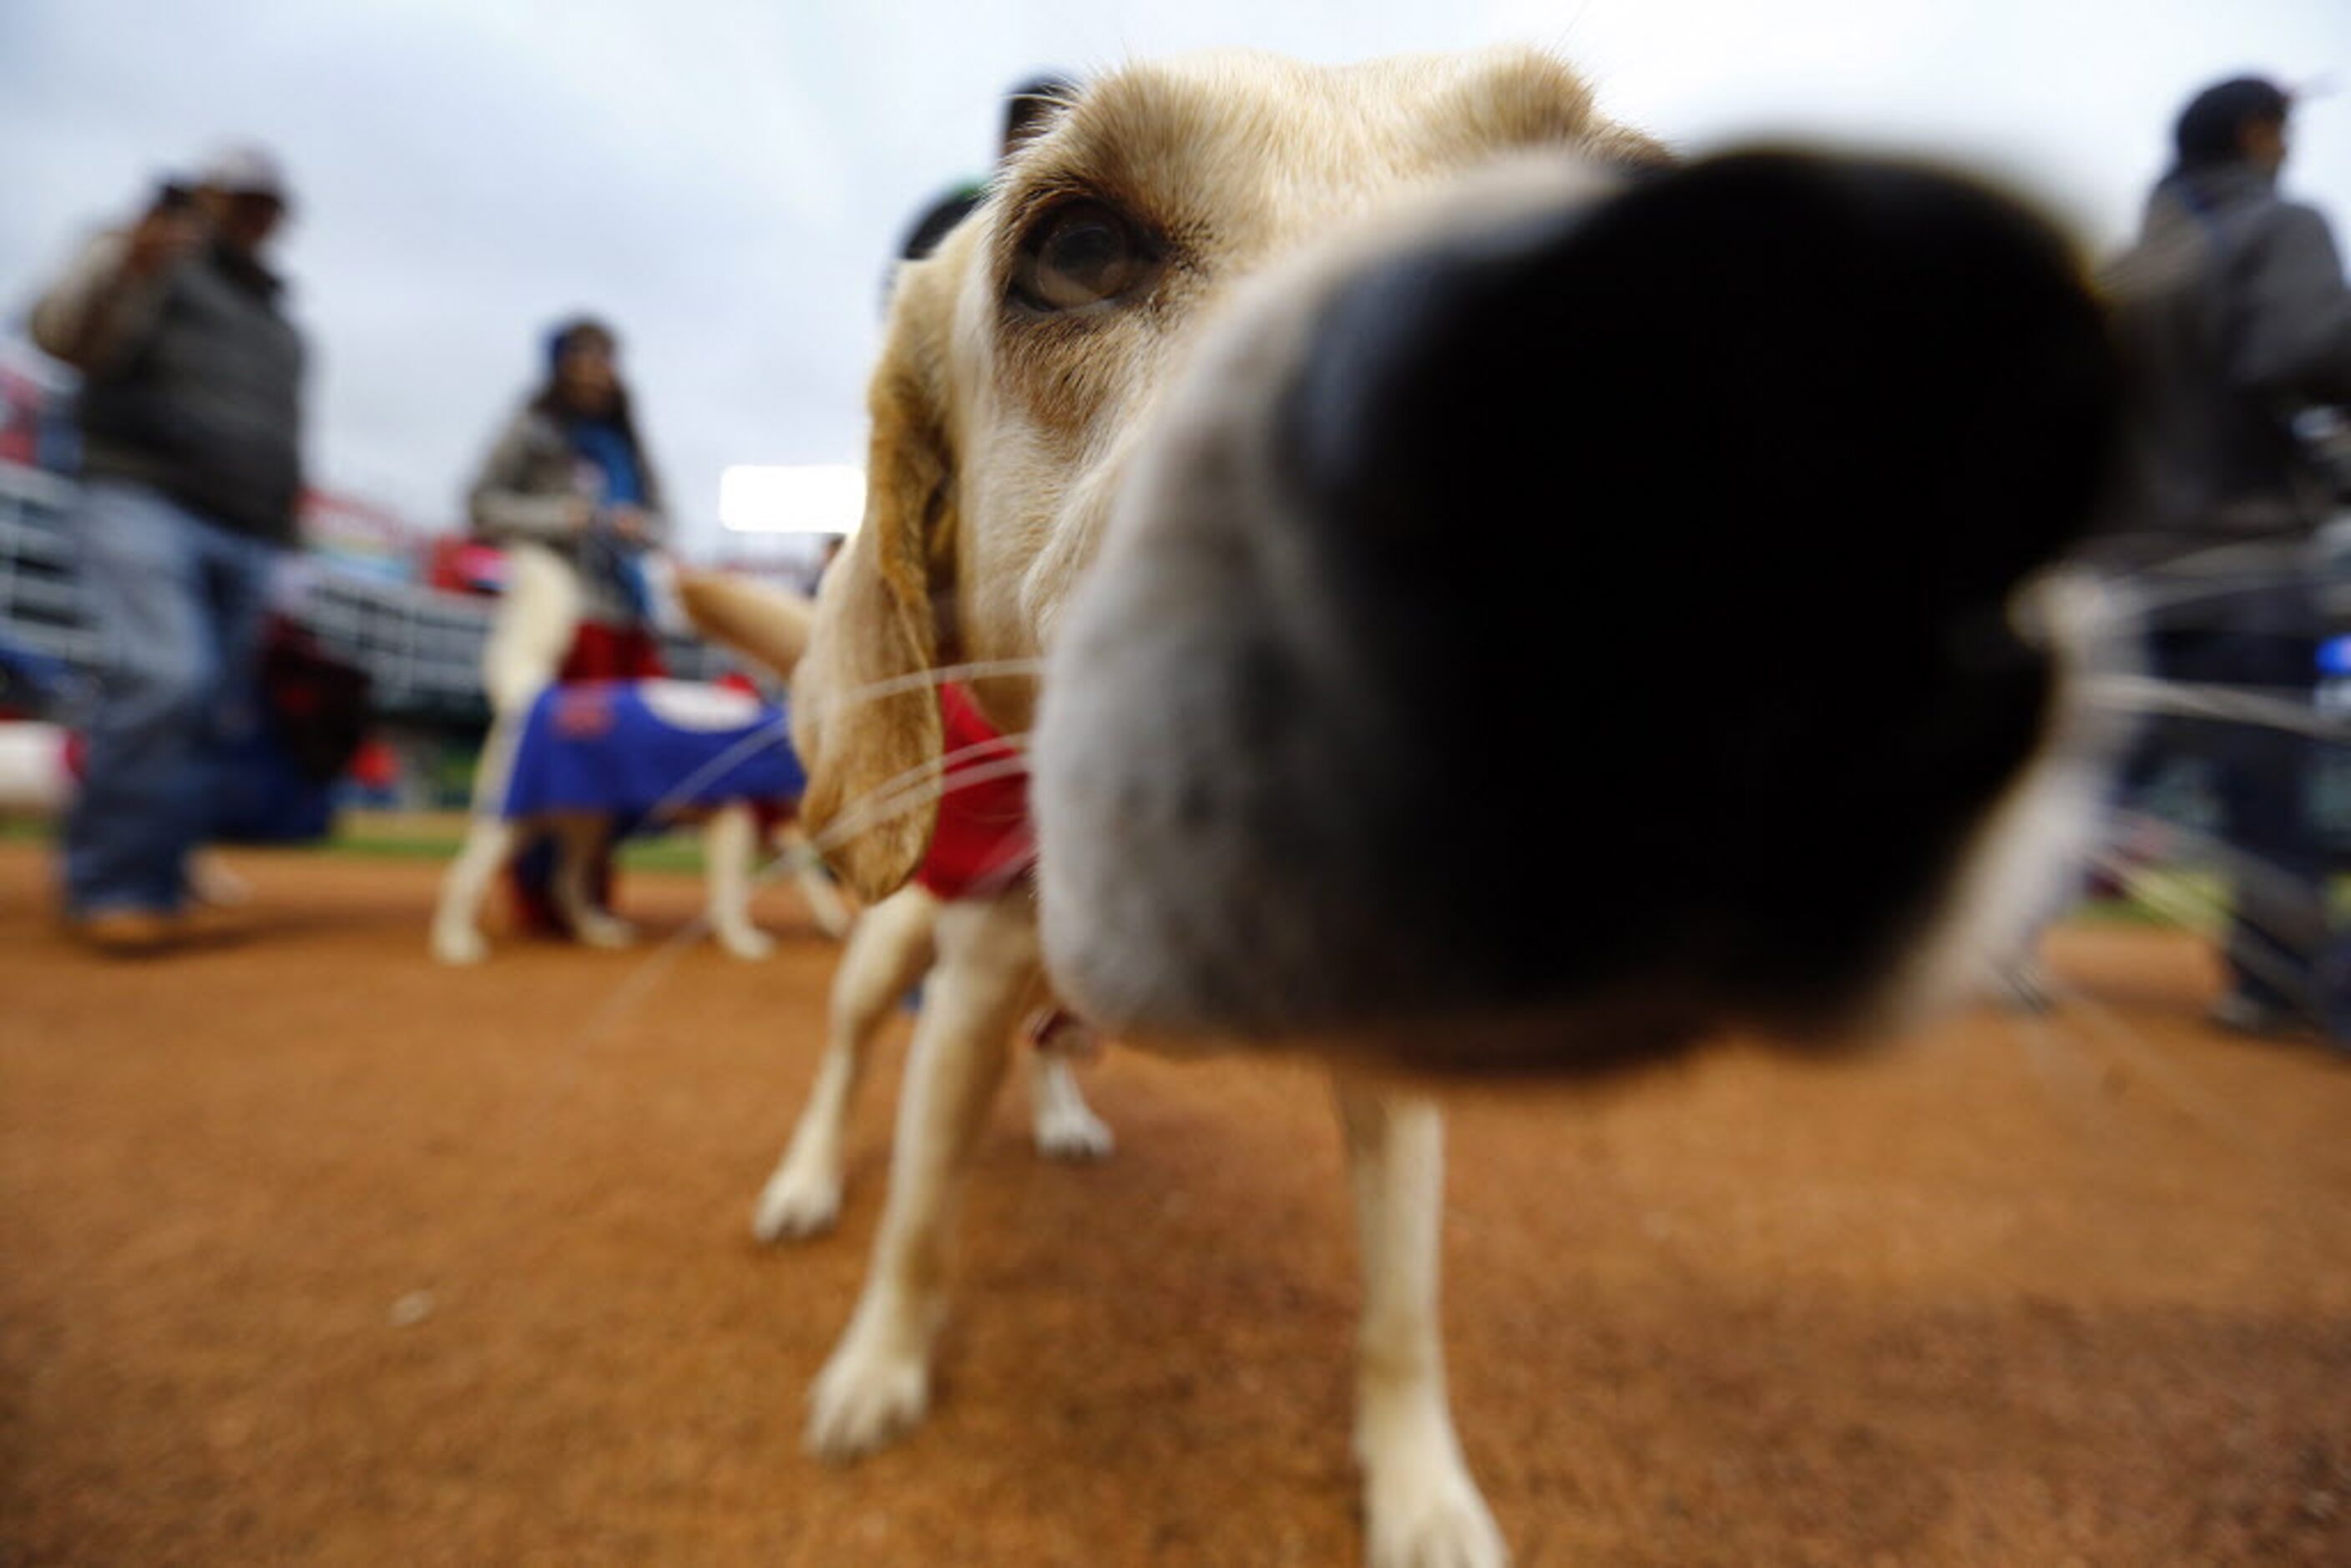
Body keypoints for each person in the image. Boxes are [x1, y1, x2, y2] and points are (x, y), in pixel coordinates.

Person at [2101, 75, 2351, 1038]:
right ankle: (2273, 979)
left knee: (2088, 771)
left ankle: (1984, 940)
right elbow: (2300, 351)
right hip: (2243, 555)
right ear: (2257, 135)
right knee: (2265, 781)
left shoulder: (2129, 261)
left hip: (2125, 565)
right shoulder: (2277, 227)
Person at [28, 145, 306, 955]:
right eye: (243, 197)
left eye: (269, 203)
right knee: (162, 673)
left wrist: (285, 544)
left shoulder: (278, 321)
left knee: (210, 706)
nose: (257, 214)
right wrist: (125, 264)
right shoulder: (149, 255)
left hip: (249, 525)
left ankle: (164, 866)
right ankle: (114, 884)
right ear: (215, 197)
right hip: (140, 494)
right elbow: (62, 335)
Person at [465, 316, 672, 934]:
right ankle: (534, 896)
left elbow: (662, 520)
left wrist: (640, 526)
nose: (595, 369)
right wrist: (562, 516)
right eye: (582, 357)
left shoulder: (626, 443)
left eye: (605, 357)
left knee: (617, 767)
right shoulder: (533, 430)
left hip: (625, 617)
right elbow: (481, 506)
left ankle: (588, 892)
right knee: (554, 761)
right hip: (563, 619)